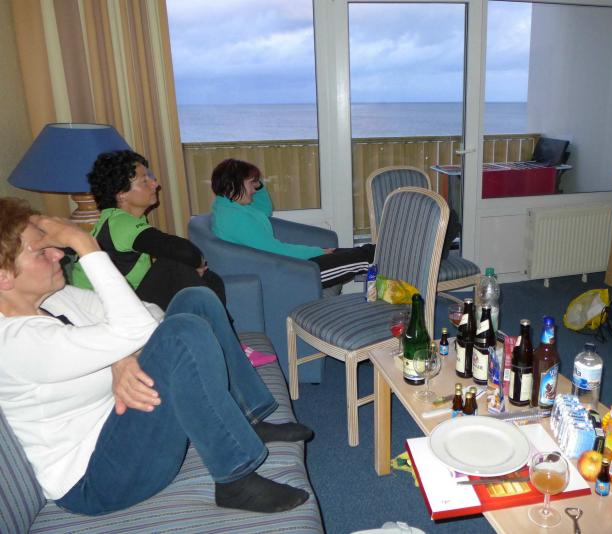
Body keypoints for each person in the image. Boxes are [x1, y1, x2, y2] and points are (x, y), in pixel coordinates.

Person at [0, 197, 313, 515]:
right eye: (42, 251)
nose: (59, 254)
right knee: (182, 333)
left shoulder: (57, 299)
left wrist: (120, 357)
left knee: (196, 299)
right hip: (98, 478)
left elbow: (149, 314)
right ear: (3, 277)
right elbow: (140, 329)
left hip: (126, 425)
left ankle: (247, 417)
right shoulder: (16, 343)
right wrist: (84, 243)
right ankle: (235, 479)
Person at [71, 150, 273, 366]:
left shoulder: (115, 220)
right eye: (144, 180)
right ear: (121, 194)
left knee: (210, 279)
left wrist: (192, 266)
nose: (155, 184)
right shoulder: (120, 224)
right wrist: (194, 264)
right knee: (174, 265)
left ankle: (220, 343)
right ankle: (230, 348)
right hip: (108, 317)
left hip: (124, 305)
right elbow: (186, 252)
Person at [210, 158, 374, 288]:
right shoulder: (234, 218)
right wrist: (317, 251)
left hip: (282, 265)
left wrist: (258, 185)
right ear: (233, 185)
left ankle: (381, 256)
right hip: (289, 274)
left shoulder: (229, 207)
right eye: (250, 183)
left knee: (362, 252)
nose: (253, 189)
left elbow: (264, 210)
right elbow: (275, 250)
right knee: (364, 257)